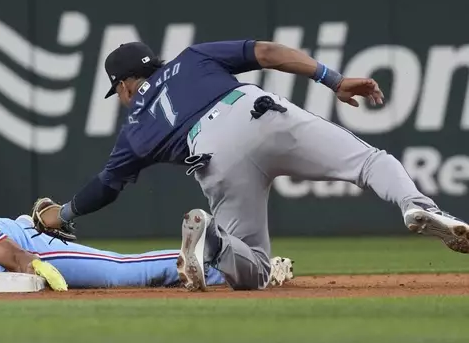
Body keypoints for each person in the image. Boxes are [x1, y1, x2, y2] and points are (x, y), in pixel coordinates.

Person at [30, 39, 469, 292]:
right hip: (254, 109)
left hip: (212, 152)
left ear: (124, 85)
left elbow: (106, 186)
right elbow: (268, 52)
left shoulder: (136, 127)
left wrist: (62, 214)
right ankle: (415, 205)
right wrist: (332, 79)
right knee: (372, 162)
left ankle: (214, 240)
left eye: (119, 90)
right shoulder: (191, 59)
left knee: (255, 269)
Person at [0, 159, 240, 292]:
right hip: (7, 261)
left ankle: (230, 265)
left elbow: (13, 257)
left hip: (28, 247)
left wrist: (37, 268)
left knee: (121, 272)